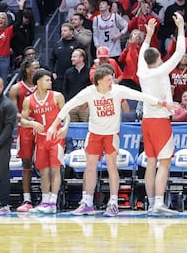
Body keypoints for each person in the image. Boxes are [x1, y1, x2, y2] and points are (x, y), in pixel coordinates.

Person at [47, 66, 173, 216]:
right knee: (90, 167)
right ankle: (87, 202)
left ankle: (113, 203)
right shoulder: (89, 92)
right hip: (94, 133)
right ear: (99, 82)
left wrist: (162, 103)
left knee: (112, 166)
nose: (111, 81)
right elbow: (68, 105)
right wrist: (54, 126)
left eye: (112, 78)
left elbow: (140, 96)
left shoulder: (117, 90)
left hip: (111, 134)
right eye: (108, 79)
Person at [137, 13, 185, 216]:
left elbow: (141, 53)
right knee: (164, 163)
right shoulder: (161, 70)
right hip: (160, 122)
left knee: (150, 162)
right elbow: (180, 51)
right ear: (157, 58)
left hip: (146, 121)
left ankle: (151, 203)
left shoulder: (141, 71)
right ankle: (158, 204)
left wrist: (148, 35)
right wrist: (181, 27)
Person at [20, 69, 70, 214]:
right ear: (38, 81)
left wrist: (65, 127)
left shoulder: (57, 96)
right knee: (44, 171)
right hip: (40, 138)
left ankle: (53, 203)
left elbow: (66, 114)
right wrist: (32, 124)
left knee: (55, 169)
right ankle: (45, 201)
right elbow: (23, 120)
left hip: (55, 138)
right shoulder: (29, 100)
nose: (50, 82)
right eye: (47, 80)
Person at [9, 59, 40, 212]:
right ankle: (27, 198)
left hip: (42, 129)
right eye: (35, 67)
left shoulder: (44, 86)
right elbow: (14, 113)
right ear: (27, 70)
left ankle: (46, 197)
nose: (38, 69)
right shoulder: (16, 88)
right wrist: (27, 119)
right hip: (26, 128)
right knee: (26, 164)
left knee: (43, 164)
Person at [0, 76, 17, 215]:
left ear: (3, 87)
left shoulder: (8, 105)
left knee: (3, 174)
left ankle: (5, 204)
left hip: (2, 145)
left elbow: (9, 127)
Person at [63, 48, 91, 122]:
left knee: (86, 127)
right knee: (72, 129)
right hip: (72, 105)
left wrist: (87, 102)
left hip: (85, 105)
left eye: (74, 56)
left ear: (81, 58)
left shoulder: (90, 71)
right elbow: (65, 89)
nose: (72, 59)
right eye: (72, 57)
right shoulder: (68, 72)